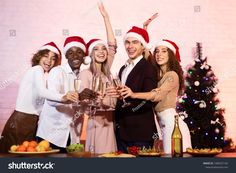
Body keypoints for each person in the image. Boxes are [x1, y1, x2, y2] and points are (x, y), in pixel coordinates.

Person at [0, 42, 76, 153]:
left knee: (24, 159)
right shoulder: (37, 70)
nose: (49, 61)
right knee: (14, 158)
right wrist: (63, 97)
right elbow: (42, 92)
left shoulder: (43, 76)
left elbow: (42, 104)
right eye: (46, 56)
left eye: (53, 58)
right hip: (21, 121)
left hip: (31, 122)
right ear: (39, 56)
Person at [121, 39, 192, 154]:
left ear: (171, 55)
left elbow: (157, 95)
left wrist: (133, 94)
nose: (159, 54)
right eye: (157, 51)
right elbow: (144, 50)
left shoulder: (172, 75)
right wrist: (144, 30)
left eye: (164, 51)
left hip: (173, 126)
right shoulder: (158, 74)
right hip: (163, 125)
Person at [36, 36, 95, 152]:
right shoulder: (57, 71)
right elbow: (50, 100)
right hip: (50, 135)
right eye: (71, 53)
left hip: (71, 135)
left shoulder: (83, 75)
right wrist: (70, 97)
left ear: (84, 57)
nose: (75, 56)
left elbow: (79, 108)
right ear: (66, 56)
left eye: (79, 52)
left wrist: (88, 100)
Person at [109, 26, 157, 153]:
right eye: (127, 42)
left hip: (140, 132)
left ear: (143, 46)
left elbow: (150, 99)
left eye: (135, 42)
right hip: (122, 131)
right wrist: (119, 96)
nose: (130, 46)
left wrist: (131, 101)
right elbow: (123, 96)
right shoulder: (123, 69)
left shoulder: (148, 68)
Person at [79, 2, 117, 154]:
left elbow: (112, 46)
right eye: (96, 49)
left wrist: (106, 18)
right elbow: (83, 100)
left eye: (103, 49)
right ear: (91, 54)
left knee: (111, 157)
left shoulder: (107, 72)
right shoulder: (85, 73)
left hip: (110, 121)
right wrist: (97, 99)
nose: (101, 52)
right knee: (99, 156)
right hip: (96, 122)